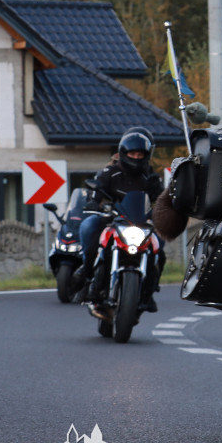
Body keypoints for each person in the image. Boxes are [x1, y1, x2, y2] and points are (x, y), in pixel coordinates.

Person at [75, 128, 165, 312]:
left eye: (140, 154)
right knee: (89, 225)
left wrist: (168, 206)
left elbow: (161, 198)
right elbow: (97, 190)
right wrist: (93, 202)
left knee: (159, 245)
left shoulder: (150, 176)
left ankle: (149, 291)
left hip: (139, 223)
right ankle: (88, 270)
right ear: (123, 153)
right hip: (111, 220)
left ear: (146, 155)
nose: (136, 157)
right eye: (132, 153)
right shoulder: (110, 172)